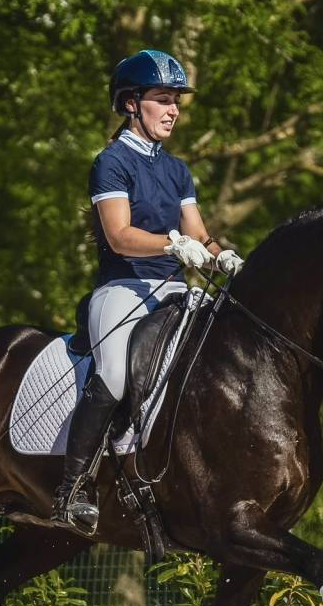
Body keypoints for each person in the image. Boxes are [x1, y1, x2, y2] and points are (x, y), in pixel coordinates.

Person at [51, 49, 244, 534]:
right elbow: (119, 235)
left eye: (176, 100)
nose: (174, 109)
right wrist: (172, 244)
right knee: (115, 375)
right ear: (132, 103)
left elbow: (198, 232)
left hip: (176, 291)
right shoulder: (111, 162)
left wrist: (221, 254)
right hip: (125, 288)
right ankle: (72, 488)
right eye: (163, 99)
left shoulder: (177, 169)